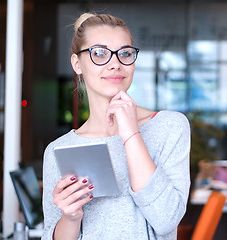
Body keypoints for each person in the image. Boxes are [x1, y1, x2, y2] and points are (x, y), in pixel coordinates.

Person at [41, 12, 191, 240]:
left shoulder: (169, 126)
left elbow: (167, 220)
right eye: (99, 53)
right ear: (76, 64)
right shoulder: (59, 150)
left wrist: (131, 134)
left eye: (125, 53)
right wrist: (70, 217)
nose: (115, 64)